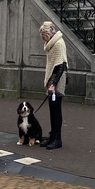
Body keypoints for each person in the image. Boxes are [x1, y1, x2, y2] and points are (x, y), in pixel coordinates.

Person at [39, 21, 68, 149]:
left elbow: (62, 65)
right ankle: (52, 135)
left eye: (43, 35)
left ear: (49, 34)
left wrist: (54, 84)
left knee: (56, 110)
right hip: (52, 79)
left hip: (57, 80)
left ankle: (58, 139)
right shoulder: (50, 44)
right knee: (52, 109)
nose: (42, 38)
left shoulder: (58, 44)